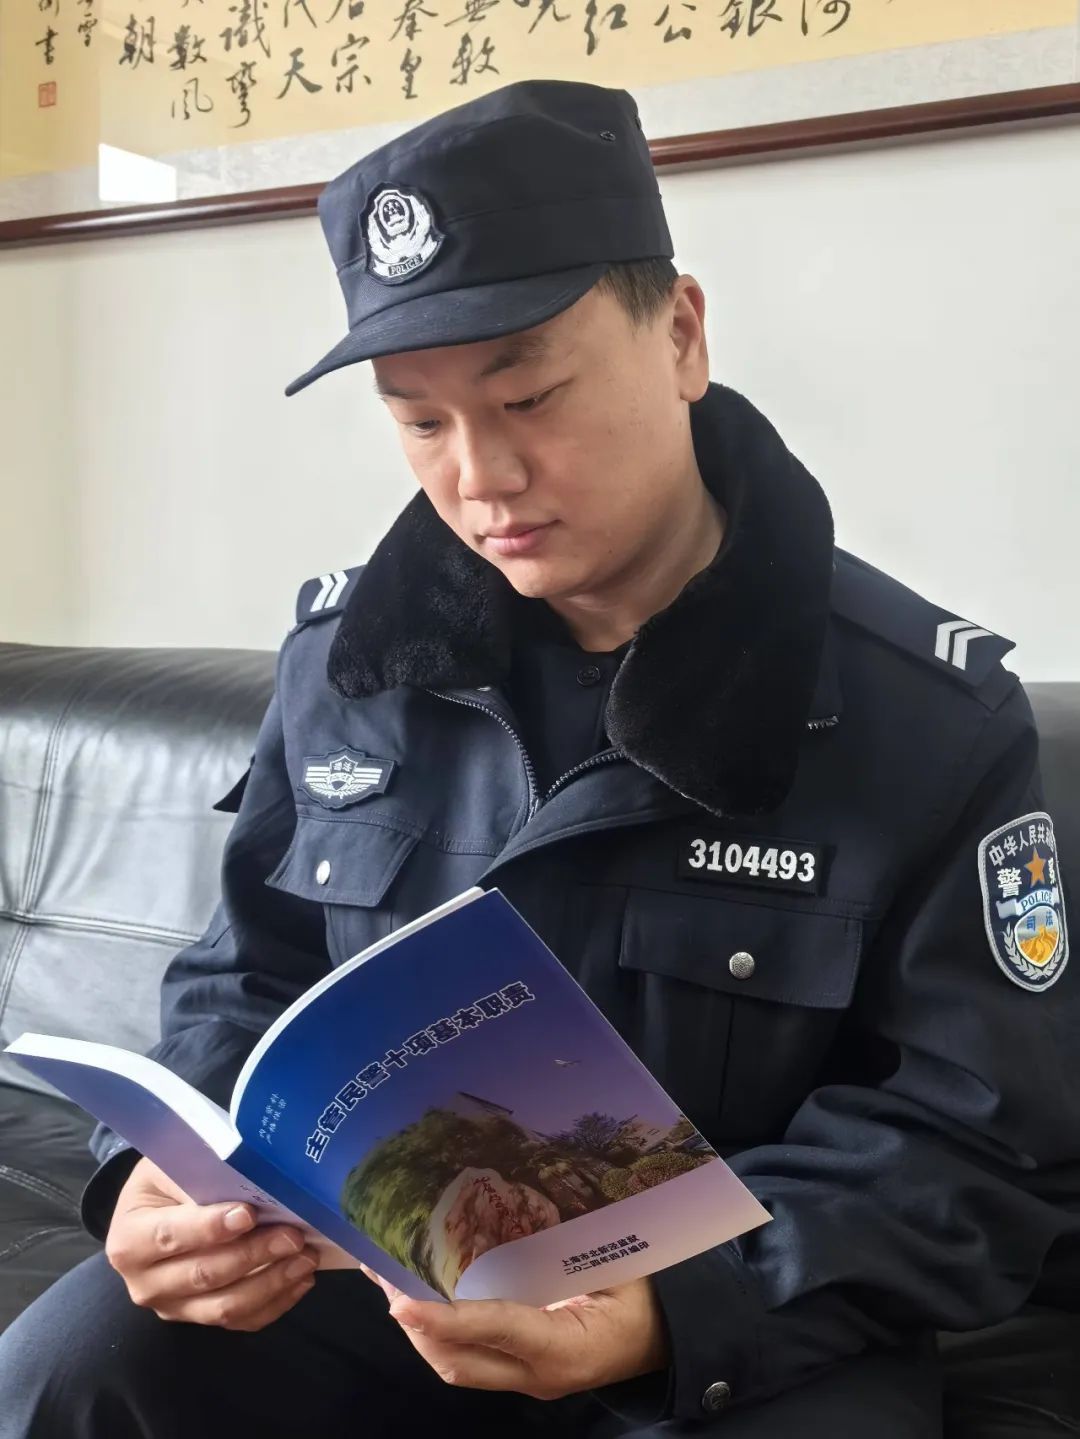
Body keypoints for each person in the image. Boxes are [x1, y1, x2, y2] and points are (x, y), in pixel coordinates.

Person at [1, 78, 1078, 1439]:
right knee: (74, 1369)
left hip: (737, 1322)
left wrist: (671, 1311)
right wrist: (156, 1180)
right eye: (420, 420)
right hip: (385, 1280)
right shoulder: (351, 664)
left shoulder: (923, 717)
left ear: (680, 335)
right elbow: (246, 979)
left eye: (529, 395)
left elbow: (980, 1141)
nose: (481, 477)